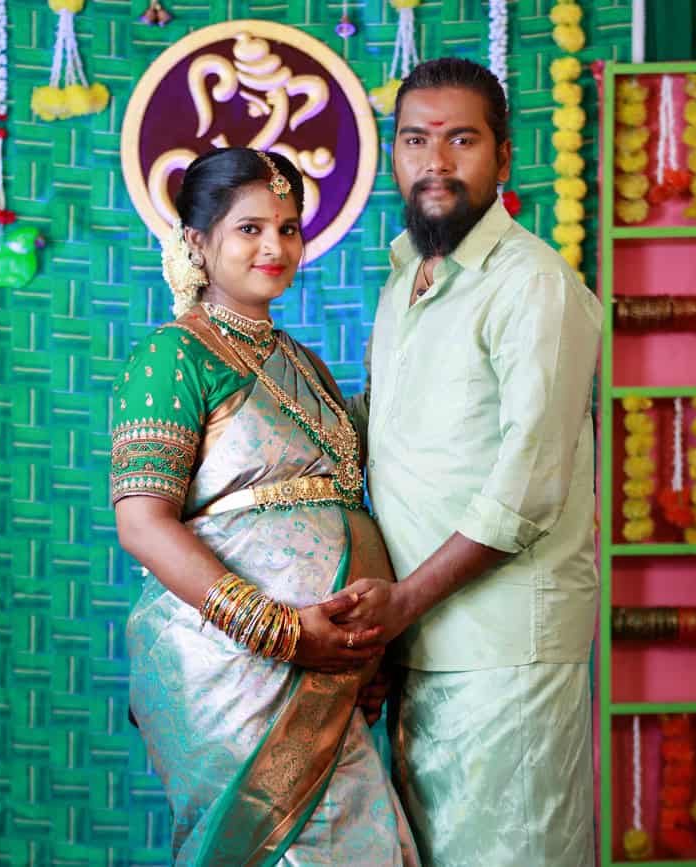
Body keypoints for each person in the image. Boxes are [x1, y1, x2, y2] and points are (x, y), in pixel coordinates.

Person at [111, 147, 418, 866]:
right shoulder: (172, 358)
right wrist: (279, 630)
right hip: (237, 668)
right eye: (249, 228)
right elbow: (141, 522)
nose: (275, 246)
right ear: (197, 241)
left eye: (287, 227)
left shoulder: (302, 361)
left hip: (326, 667)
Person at [340, 58, 603, 866]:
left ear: (504, 157)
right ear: (394, 154)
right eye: (416, 140)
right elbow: (393, 450)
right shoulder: (405, 281)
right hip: (423, 646)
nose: (437, 163)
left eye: (462, 140)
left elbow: (528, 488)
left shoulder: (533, 286)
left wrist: (404, 601)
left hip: (503, 655)